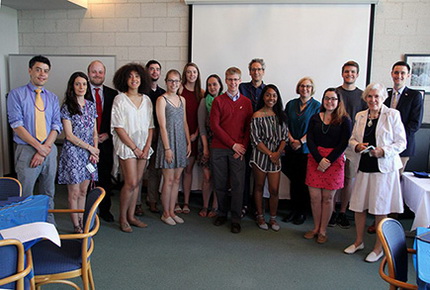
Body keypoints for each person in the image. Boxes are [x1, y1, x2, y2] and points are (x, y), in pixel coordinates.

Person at [344, 83, 406, 263]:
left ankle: (379, 248)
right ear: (365, 98)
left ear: (383, 98)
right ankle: (358, 241)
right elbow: (353, 138)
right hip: (364, 165)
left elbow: (402, 143)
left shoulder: (393, 115)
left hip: (383, 169)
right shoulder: (360, 115)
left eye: (376, 96)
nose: (373, 100)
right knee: (358, 205)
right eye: (370, 97)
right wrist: (357, 145)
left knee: (381, 208)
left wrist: (383, 151)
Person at [7, 55, 62, 224]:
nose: (42, 74)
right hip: (27, 150)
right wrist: (39, 148)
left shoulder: (52, 98)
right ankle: (26, 228)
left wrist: (45, 148)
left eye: (46, 71)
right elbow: (17, 125)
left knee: (48, 192)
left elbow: (56, 126)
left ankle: (48, 225)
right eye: (38, 70)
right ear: (30, 71)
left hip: (49, 149)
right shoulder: (16, 95)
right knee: (26, 193)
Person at [304, 88, 352, 243]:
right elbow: (310, 140)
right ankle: (316, 228)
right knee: (314, 197)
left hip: (335, 161)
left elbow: (344, 143)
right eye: (327, 98)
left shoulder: (345, 120)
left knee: (328, 198)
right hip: (315, 160)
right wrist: (319, 159)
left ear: (338, 102)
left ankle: (323, 230)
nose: (329, 102)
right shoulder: (314, 118)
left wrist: (328, 160)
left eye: (333, 99)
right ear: (323, 100)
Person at [111, 63, 153, 233]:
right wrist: (135, 148)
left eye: (137, 76)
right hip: (128, 147)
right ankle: (122, 218)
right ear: (125, 79)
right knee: (130, 182)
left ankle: (132, 216)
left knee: (138, 183)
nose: (134, 79)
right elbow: (118, 127)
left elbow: (151, 126)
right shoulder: (120, 99)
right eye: (130, 76)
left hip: (143, 147)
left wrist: (146, 146)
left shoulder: (147, 100)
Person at [211, 67, 253, 234]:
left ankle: (236, 219)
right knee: (220, 184)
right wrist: (232, 144)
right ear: (226, 81)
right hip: (220, 149)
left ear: (240, 81)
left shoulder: (246, 102)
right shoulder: (218, 101)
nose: (233, 82)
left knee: (238, 185)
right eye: (230, 79)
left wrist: (240, 147)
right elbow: (215, 126)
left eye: (236, 80)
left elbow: (249, 128)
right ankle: (222, 213)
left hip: (239, 150)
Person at [58, 72, 99, 233]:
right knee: (74, 192)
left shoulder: (90, 105)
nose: (81, 87)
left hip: (89, 154)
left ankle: (82, 220)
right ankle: (76, 225)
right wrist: (90, 148)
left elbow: (94, 132)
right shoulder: (67, 106)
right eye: (77, 84)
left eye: (84, 84)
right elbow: (69, 135)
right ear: (72, 86)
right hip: (74, 153)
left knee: (84, 191)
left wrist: (95, 151)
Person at [281, 77, 320, 225]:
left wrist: (301, 141)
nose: (305, 89)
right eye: (302, 86)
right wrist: (291, 139)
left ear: (312, 89)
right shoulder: (291, 104)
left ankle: (302, 212)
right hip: (291, 148)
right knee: (294, 181)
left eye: (308, 86)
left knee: (303, 182)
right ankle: (293, 210)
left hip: (306, 150)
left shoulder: (317, 106)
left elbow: (315, 128)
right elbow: (285, 124)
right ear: (298, 88)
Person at [332, 60, 366, 229]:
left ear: (357, 74)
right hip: (336, 144)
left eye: (353, 72)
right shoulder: (335, 93)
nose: (349, 74)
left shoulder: (363, 95)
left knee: (349, 179)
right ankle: (331, 212)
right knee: (333, 179)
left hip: (353, 145)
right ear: (342, 73)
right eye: (346, 71)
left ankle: (343, 212)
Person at [155, 69, 191, 226]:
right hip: (168, 143)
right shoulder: (161, 100)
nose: (174, 84)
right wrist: (167, 148)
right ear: (166, 82)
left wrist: (188, 141)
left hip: (181, 142)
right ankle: (166, 213)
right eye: (171, 81)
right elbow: (162, 126)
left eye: (176, 81)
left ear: (180, 83)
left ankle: (172, 211)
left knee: (177, 179)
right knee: (168, 180)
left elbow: (184, 122)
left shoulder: (182, 100)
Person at [250, 84, 287, 232]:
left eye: (274, 96)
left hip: (276, 158)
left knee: (274, 190)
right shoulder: (256, 115)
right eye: (268, 95)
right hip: (260, 157)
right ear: (263, 97)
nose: (271, 98)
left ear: (277, 98)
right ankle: (260, 216)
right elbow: (255, 139)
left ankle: (272, 217)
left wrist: (277, 153)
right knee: (258, 187)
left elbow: (285, 137)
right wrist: (270, 154)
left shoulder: (281, 115)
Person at [87, 60, 118, 222]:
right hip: (85, 145)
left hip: (105, 144)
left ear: (104, 74)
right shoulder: (81, 91)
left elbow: (117, 120)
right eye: (94, 71)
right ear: (88, 73)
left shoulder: (113, 95)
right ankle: (88, 212)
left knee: (105, 179)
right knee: (86, 180)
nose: (97, 75)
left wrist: (108, 134)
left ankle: (105, 210)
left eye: (100, 72)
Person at [239, 58, 266, 217]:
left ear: (263, 72)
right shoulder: (242, 88)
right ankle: (243, 205)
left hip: (262, 140)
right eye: (253, 69)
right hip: (244, 137)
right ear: (249, 72)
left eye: (259, 69)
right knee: (243, 175)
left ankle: (258, 209)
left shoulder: (268, 91)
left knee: (259, 176)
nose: (256, 72)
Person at [385, 60, 424, 172]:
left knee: (397, 180)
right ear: (392, 74)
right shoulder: (384, 95)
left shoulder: (415, 96)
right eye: (396, 73)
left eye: (402, 73)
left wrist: (397, 139)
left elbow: (414, 124)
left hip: (403, 146)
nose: (399, 76)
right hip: (384, 146)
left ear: (408, 75)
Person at [176, 62, 204, 214]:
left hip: (194, 136)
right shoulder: (179, 90)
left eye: (194, 72)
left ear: (197, 74)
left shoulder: (202, 92)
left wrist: (196, 134)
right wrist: (185, 136)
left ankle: (186, 202)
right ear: (185, 75)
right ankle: (174, 202)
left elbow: (203, 118)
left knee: (188, 170)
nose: (191, 75)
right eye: (188, 72)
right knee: (176, 171)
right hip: (180, 136)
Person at [140, 59, 166, 214]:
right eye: (152, 69)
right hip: (142, 137)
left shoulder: (163, 93)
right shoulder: (141, 91)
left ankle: (152, 200)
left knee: (155, 170)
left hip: (159, 137)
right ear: (146, 71)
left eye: (157, 69)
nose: (155, 72)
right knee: (139, 171)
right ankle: (136, 203)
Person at [197, 74, 223, 218]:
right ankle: (205, 205)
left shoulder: (223, 101)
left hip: (221, 145)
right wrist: (206, 147)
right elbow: (201, 128)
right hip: (206, 144)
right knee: (207, 177)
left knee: (218, 177)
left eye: (215, 84)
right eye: (209, 85)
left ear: (220, 86)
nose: (212, 87)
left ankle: (215, 207)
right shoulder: (203, 102)